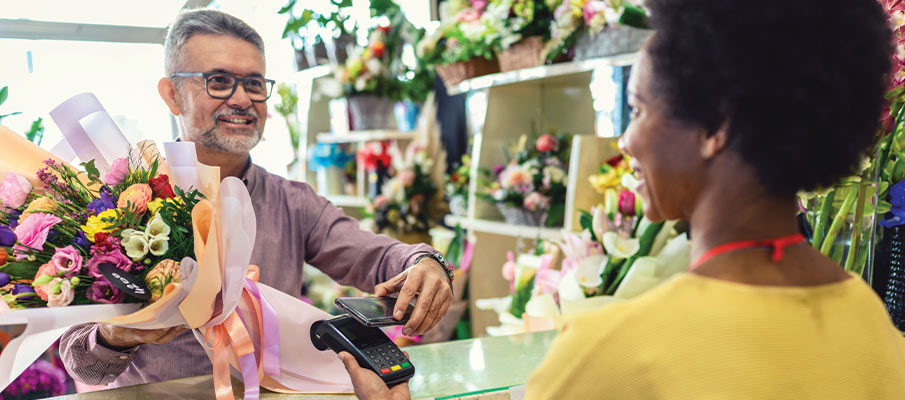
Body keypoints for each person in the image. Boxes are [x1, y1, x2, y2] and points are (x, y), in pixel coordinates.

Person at [341, 0, 905, 399]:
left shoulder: (620, 353)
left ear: (714, 126)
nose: (627, 141)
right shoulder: (872, 324)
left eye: (637, 111)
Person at [58, 9, 453, 388]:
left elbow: (375, 256)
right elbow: (81, 364)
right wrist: (115, 335)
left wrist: (424, 264)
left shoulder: (293, 202)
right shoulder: (117, 203)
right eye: (218, 81)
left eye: (254, 83)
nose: (242, 99)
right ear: (172, 95)